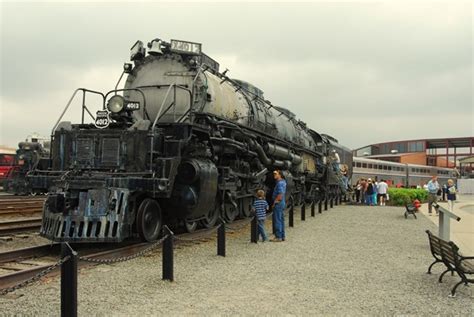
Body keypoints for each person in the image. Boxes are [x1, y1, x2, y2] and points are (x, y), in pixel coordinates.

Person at [271, 170, 287, 242]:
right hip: (282, 203)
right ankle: (282, 236)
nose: (274, 175)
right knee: (281, 220)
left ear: (280, 175)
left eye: (276, 174)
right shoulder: (283, 182)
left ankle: (278, 237)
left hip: (278, 203)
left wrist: (275, 202)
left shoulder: (279, 183)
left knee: (277, 220)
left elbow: (280, 195)